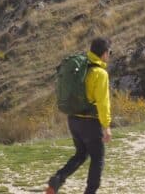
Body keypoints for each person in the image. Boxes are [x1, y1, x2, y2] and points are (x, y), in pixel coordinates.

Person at [46, 38, 113, 194]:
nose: (109, 55)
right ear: (104, 54)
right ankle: (90, 192)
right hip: (90, 123)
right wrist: (106, 126)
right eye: (110, 52)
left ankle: (58, 178)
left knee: (81, 154)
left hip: (73, 120)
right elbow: (103, 103)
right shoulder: (100, 73)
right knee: (98, 158)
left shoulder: (81, 66)